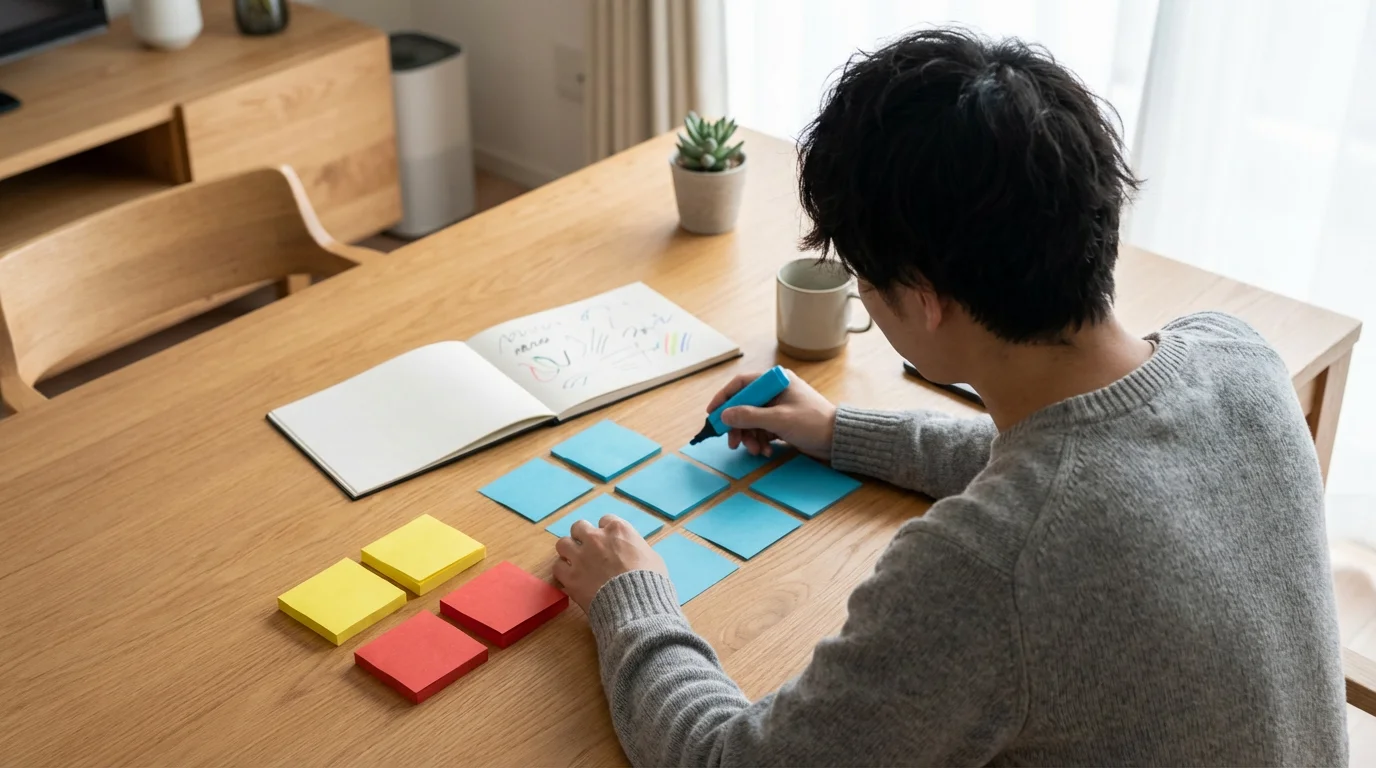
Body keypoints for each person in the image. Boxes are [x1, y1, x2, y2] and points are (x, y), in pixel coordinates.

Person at [552, 27, 1346, 766]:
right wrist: (841, 430)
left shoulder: (982, 568)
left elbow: (729, 758)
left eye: (863, 281)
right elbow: (1079, 469)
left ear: (924, 299)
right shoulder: (1238, 357)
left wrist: (634, 602)